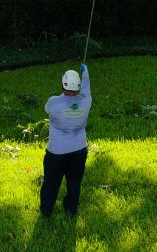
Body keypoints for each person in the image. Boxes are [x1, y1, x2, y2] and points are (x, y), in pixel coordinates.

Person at [39, 62, 92, 218]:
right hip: (79, 150)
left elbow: (46, 110)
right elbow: (87, 89)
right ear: (78, 86)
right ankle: (71, 211)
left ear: (62, 84)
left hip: (56, 152)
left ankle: (47, 211)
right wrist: (86, 73)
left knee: (51, 182)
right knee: (74, 183)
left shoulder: (53, 102)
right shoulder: (86, 101)